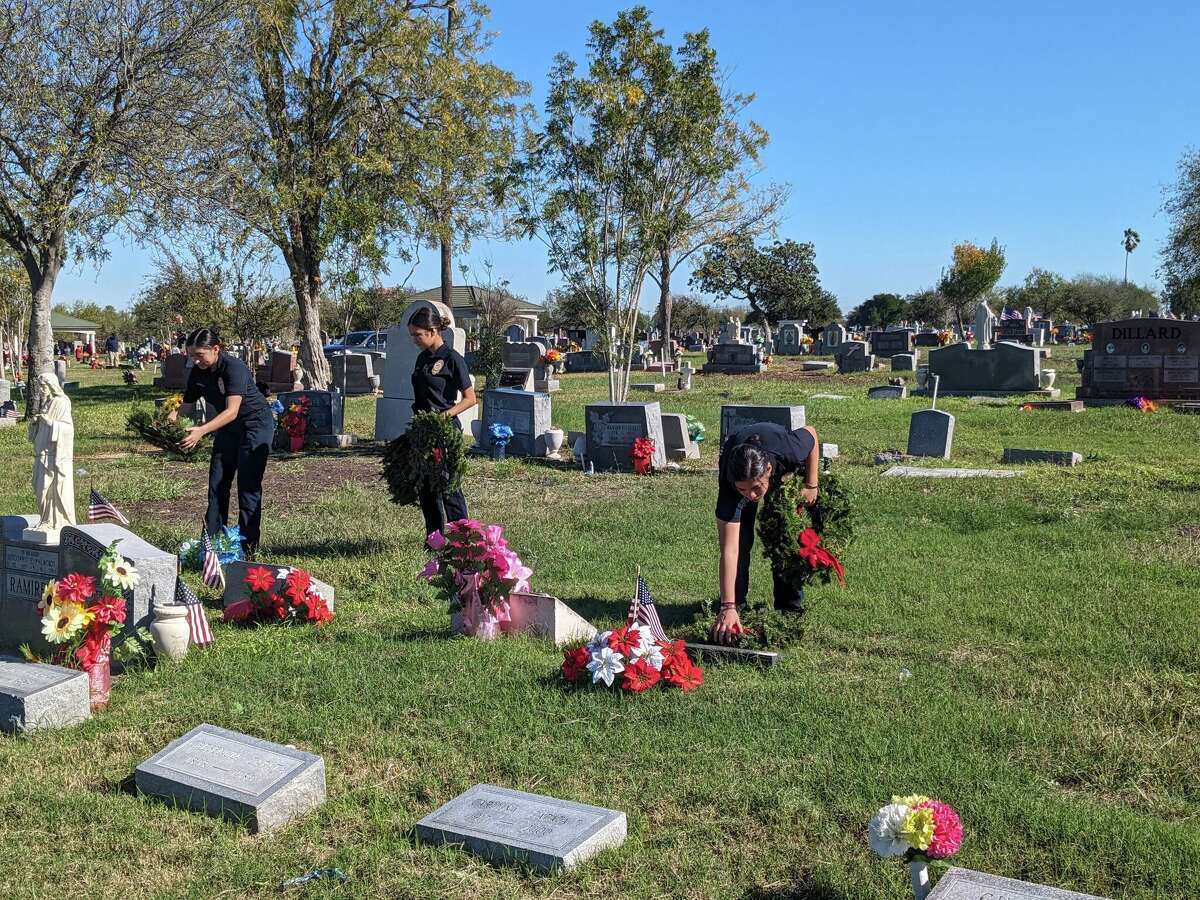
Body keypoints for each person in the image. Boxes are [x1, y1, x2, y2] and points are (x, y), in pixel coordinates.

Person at [710, 421, 821, 644]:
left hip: (776, 461)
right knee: (740, 543)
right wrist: (727, 606)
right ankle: (735, 608)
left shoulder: (788, 449)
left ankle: (790, 610)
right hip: (741, 459)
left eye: (756, 488)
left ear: (768, 471)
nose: (750, 495)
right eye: (744, 489)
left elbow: (811, 433)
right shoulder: (730, 483)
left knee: (784, 538)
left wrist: (811, 484)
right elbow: (729, 550)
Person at [169, 328, 275, 556]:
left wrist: (201, 431)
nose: (196, 361)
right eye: (191, 355)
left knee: (248, 487)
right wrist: (166, 424)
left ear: (216, 349)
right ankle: (212, 546)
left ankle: (247, 547)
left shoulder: (233, 368)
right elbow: (185, 407)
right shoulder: (197, 372)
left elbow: (232, 411)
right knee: (217, 484)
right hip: (227, 428)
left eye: (200, 355)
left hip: (254, 425)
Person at [408, 306, 476, 536]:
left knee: (447, 486)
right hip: (423, 430)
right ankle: (434, 539)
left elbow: (470, 399)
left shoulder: (453, 360)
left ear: (433, 331)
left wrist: (443, 416)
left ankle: (462, 539)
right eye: (412, 335)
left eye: (417, 334)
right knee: (426, 488)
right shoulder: (421, 359)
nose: (414, 339)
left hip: (445, 430)